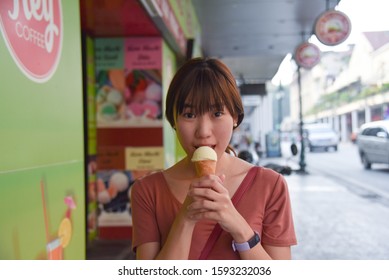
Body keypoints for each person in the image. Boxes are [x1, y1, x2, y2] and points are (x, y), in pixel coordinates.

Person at [131, 57, 297, 260]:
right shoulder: (147, 191)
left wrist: (238, 226)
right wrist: (186, 218)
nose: (203, 132)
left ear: (235, 117)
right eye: (189, 114)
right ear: (173, 120)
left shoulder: (270, 186)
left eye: (217, 113)